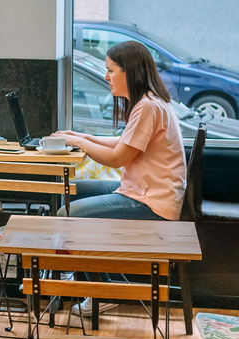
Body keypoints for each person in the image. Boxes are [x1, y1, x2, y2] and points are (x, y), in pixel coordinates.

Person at [49, 40, 186, 315]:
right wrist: (79, 136)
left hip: (153, 205)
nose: (105, 77)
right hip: (141, 192)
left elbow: (117, 158)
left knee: (68, 213)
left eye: (110, 70)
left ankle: (99, 290)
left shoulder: (148, 106)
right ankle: (85, 277)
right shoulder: (149, 102)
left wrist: (81, 144)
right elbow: (123, 142)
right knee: (70, 191)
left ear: (130, 72)